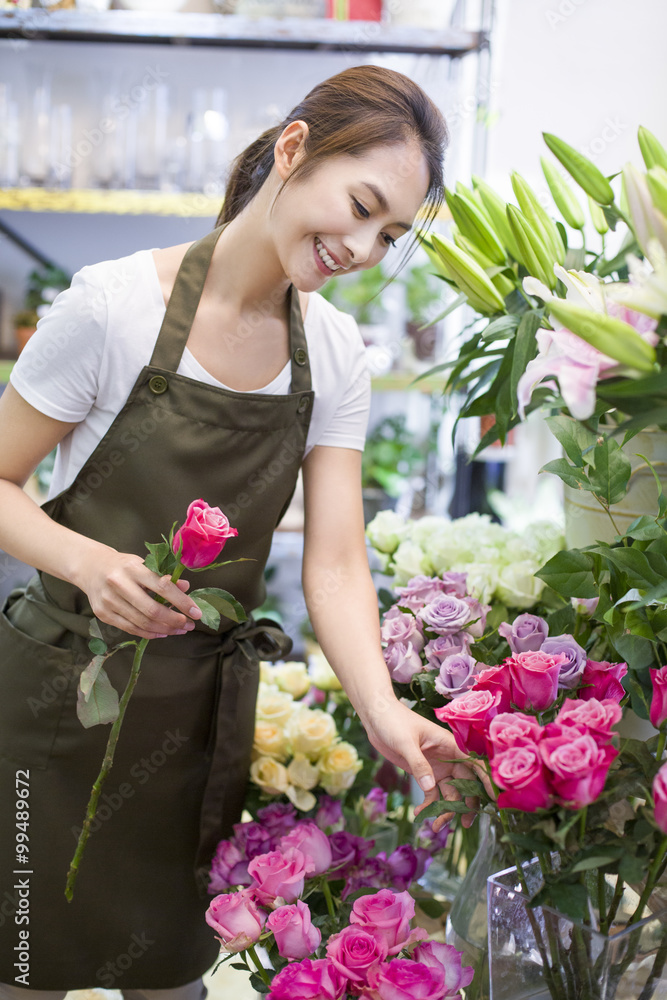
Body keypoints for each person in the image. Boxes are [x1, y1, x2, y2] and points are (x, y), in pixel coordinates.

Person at [0, 65, 482, 1000]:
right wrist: (88, 562)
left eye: (387, 234)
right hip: (54, 707)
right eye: (360, 205)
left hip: (194, 724)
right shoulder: (112, 308)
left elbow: (337, 563)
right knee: (21, 970)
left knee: (172, 977)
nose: (360, 244)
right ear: (293, 149)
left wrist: (386, 714)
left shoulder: (335, 356)